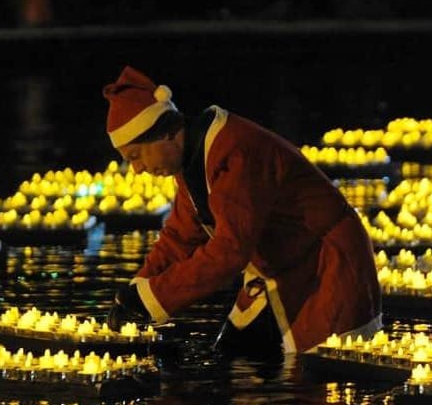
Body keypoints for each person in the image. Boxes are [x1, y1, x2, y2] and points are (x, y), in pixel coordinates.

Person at [103, 65, 382, 358]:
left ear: (167, 133)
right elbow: (182, 235)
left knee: (316, 384)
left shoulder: (234, 150)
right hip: (280, 267)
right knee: (236, 359)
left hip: (326, 267)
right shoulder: (192, 160)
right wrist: (137, 290)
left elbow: (230, 250)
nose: (136, 169)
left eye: (136, 156)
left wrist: (153, 298)